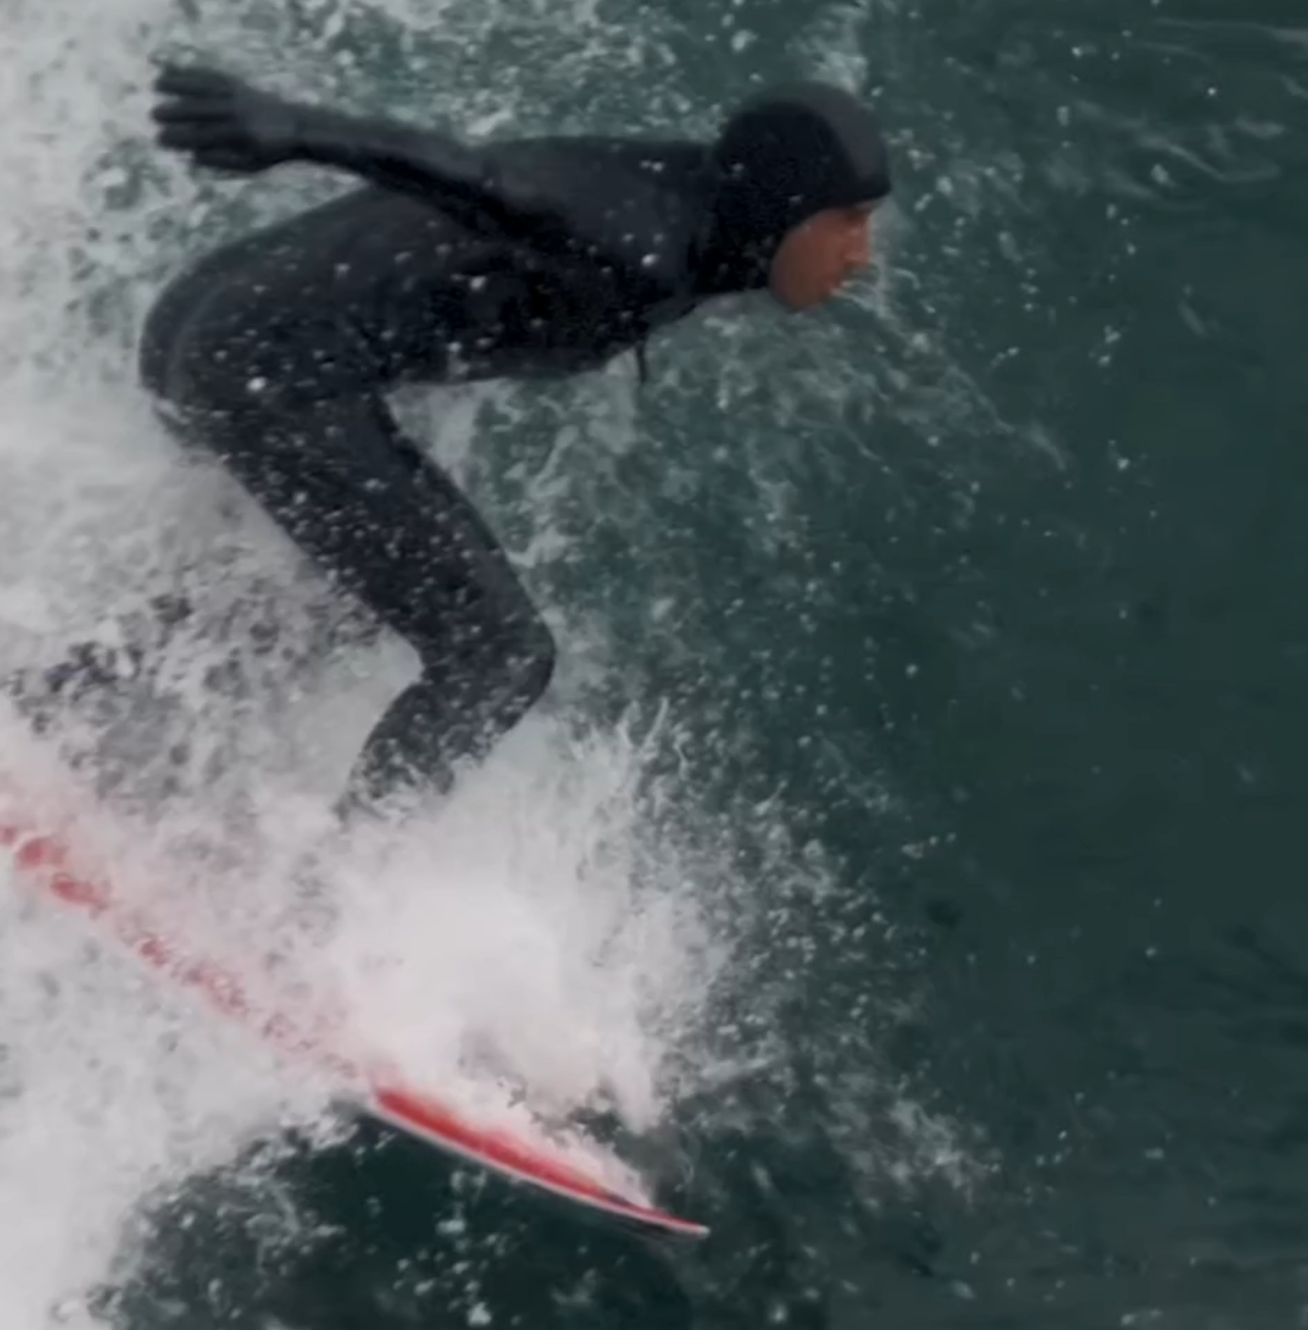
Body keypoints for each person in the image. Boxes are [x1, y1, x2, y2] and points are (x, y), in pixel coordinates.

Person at [72, 58, 890, 819]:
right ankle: (339, 891)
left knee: (347, 603)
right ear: (782, 211)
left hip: (210, 324)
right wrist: (294, 129)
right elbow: (490, 182)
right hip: (266, 364)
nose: (861, 256)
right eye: (846, 222)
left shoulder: (703, 211)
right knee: (498, 654)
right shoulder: (639, 235)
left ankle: (60, 705)